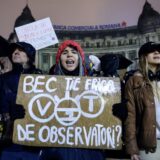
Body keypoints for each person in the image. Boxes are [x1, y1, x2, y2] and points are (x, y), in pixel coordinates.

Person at [39, 40, 105, 160]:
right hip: (57, 151)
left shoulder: (95, 86)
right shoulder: (47, 87)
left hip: (88, 151)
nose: (69, 55)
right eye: (65, 53)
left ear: (79, 58)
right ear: (59, 60)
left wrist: (113, 111)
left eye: (73, 52)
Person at [0, 42, 42, 160]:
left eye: (20, 50)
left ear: (29, 56)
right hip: (8, 144)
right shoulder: (3, 79)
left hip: (32, 144)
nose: (15, 52)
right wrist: (7, 113)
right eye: (13, 51)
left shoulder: (42, 79)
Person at [125, 41, 160, 160]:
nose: (157, 52)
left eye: (159, 50)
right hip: (149, 146)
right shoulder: (133, 81)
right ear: (143, 56)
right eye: (152, 50)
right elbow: (130, 116)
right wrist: (132, 148)